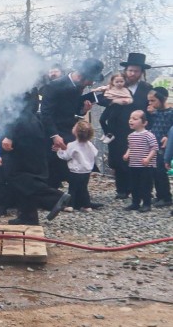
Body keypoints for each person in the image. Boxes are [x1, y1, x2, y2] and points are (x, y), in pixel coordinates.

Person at [1, 89, 71, 225]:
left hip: (24, 128)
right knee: (27, 173)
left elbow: (22, 109)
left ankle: (55, 197)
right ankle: (28, 216)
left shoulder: (21, 85)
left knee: (18, 175)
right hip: (29, 126)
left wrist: (9, 134)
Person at [41, 59, 104, 189]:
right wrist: (54, 135)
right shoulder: (53, 86)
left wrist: (83, 110)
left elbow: (73, 111)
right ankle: (53, 196)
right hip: (53, 131)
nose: (91, 83)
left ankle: (78, 196)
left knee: (79, 164)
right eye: (91, 79)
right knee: (54, 169)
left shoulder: (79, 86)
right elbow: (46, 113)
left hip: (70, 130)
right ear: (81, 76)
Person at [97, 72, 135, 198]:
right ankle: (120, 189)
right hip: (113, 131)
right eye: (116, 81)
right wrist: (113, 101)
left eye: (121, 81)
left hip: (125, 130)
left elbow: (130, 104)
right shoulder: (109, 91)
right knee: (117, 161)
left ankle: (129, 187)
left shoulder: (127, 92)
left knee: (126, 160)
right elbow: (100, 100)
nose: (119, 84)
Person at [57, 120, 99, 213]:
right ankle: (87, 206)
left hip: (75, 171)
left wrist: (59, 151)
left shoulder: (72, 145)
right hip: (86, 171)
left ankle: (70, 206)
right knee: (84, 189)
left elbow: (66, 156)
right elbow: (95, 153)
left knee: (72, 189)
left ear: (76, 132)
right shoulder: (90, 144)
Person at [124, 109, 158, 212]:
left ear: (144, 123)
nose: (131, 120)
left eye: (135, 119)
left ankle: (147, 204)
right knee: (134, 185)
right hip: (133, 165)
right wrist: (127, 154)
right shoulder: (130, 136)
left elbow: (154, 148)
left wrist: (148, 158)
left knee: (145, 185)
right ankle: (135, 203)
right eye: (130, 118)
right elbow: (130, 147)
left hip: (145, 166)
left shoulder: (148, 135)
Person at [146, 87, 173, 208]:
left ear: (163, 99)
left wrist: (167, 136)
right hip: (153, 146)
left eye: (153, 100)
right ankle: (159, 195)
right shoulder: (153, 113)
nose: (150, 103)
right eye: (149, 101)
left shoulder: (170, 113)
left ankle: (166, 197)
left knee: (161, 171)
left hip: (164, 146)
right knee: (154, 171)